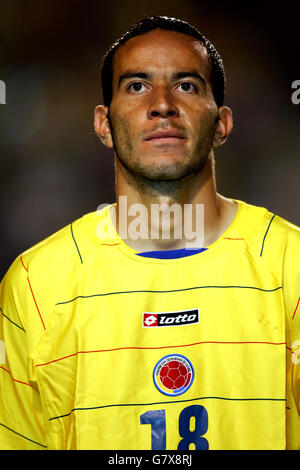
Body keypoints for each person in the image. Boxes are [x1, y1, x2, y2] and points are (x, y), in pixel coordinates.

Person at [0, 15, 299, 451]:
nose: (162, 104)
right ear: (103, 124)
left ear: (222, 124)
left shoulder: (290, 268)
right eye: (137, 86)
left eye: (187, 86)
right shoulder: (35, 285)